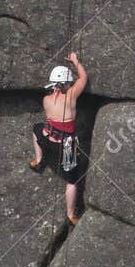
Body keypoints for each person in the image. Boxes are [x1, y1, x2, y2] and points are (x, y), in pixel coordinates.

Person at [30, 50, 88, 226]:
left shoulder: (46, 100)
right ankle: (70, 215)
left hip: (48, 140)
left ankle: (39, 158)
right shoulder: (71, 97)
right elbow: (83, 78)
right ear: (66, 84)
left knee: (36, 128)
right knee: (72, 180)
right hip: (66, 145)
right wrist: (76, 62)